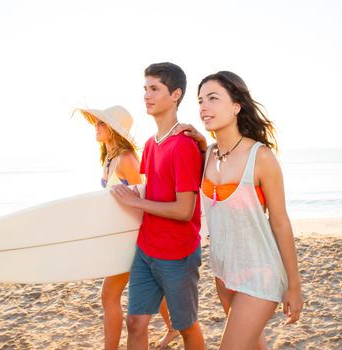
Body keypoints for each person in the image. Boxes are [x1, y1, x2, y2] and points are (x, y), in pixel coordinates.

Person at [176, 71, 303, 349]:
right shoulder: (207, 155)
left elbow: (280, 222)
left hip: (260, 272)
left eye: (213, 98)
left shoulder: (262, 157)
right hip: (224, 273)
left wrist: (294, 285)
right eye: (200, 100)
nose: (203, 107)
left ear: (236, 106)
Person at [110, 62, 205, 350]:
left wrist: (137, 202)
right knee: (135, 323)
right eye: (145, 89)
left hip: (177, 253)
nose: (147, 96)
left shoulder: (184, 145)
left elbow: (183, 210)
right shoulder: (150, 145)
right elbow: (155, 191)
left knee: (185, 327)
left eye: (155, 89)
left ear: (175, 94)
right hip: (146, 249)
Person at [75, 105, 179, 349]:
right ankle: (174, 328)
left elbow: (143, 198)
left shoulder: (126, 159)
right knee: (156, 285)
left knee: (109, 296)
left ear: (113, 130)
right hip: (120, 236)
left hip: (133, 237)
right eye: (96, 123)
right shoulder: (109, 158)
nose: (96, 127)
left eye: (101, 124)